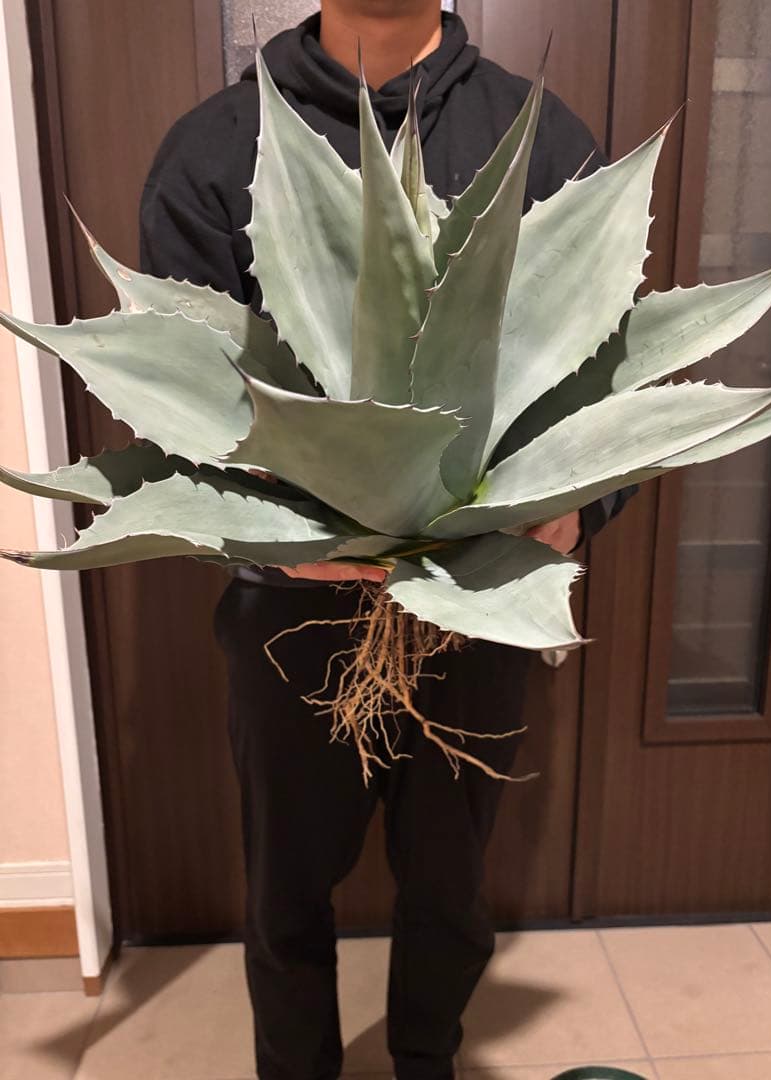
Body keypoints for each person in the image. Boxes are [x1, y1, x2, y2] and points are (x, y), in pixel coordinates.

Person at [139, 3, 635, 1077]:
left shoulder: (537, 138)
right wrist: (271, 547)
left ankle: (426, 1061)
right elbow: (175, 400)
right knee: (284, 891)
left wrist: (576, 509)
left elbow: (610, 377)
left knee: (452, 888)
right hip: (293, 611)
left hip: (474, 602)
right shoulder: (216, 153)